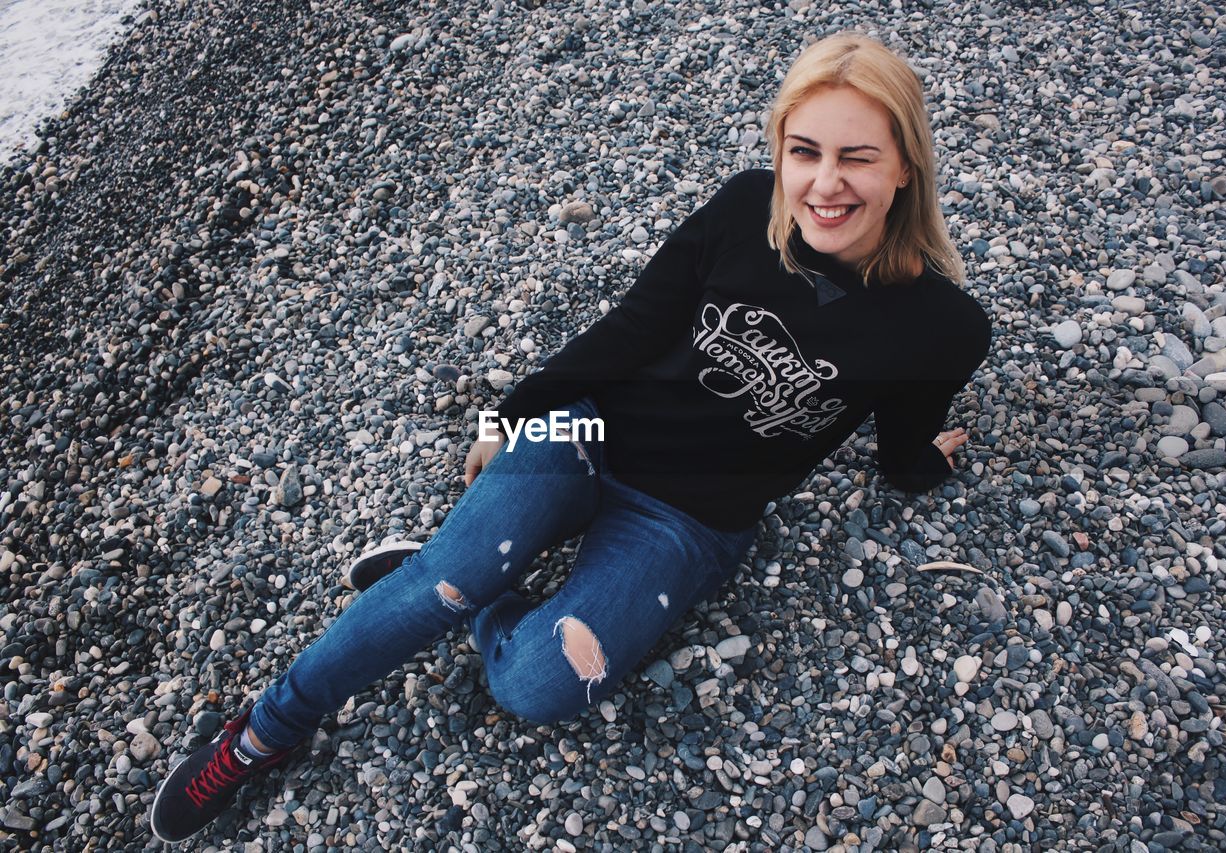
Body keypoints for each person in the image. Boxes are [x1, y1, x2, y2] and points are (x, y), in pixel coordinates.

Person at [150, 30, 993, 843]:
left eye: (857, 157)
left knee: (541, 684)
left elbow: (900, 449)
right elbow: (626, 332)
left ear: (905, 167)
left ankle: (476, 585)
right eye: (803, 150)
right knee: (442, 579)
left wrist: (927, 462)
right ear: (778, 150)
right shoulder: (745, 210)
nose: (823, 184)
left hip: (694, 518)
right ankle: (264, 733)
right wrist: (508, 416)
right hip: (590, 427)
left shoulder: (941, 327)